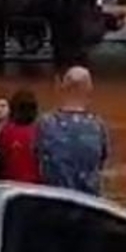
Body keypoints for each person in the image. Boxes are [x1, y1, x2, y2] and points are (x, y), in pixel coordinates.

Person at [36, 67, 109, 195]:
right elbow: (101, 161)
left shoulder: (46, 123)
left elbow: (36, 158)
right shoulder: (97, 126)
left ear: (62, 87)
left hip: (55, 200)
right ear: (89, 89)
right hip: (89, 203)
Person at [0, 90, 40, 184]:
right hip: (36, 185)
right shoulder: (39, 131)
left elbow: (2, 157)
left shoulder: (6, 131)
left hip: (11, 185)